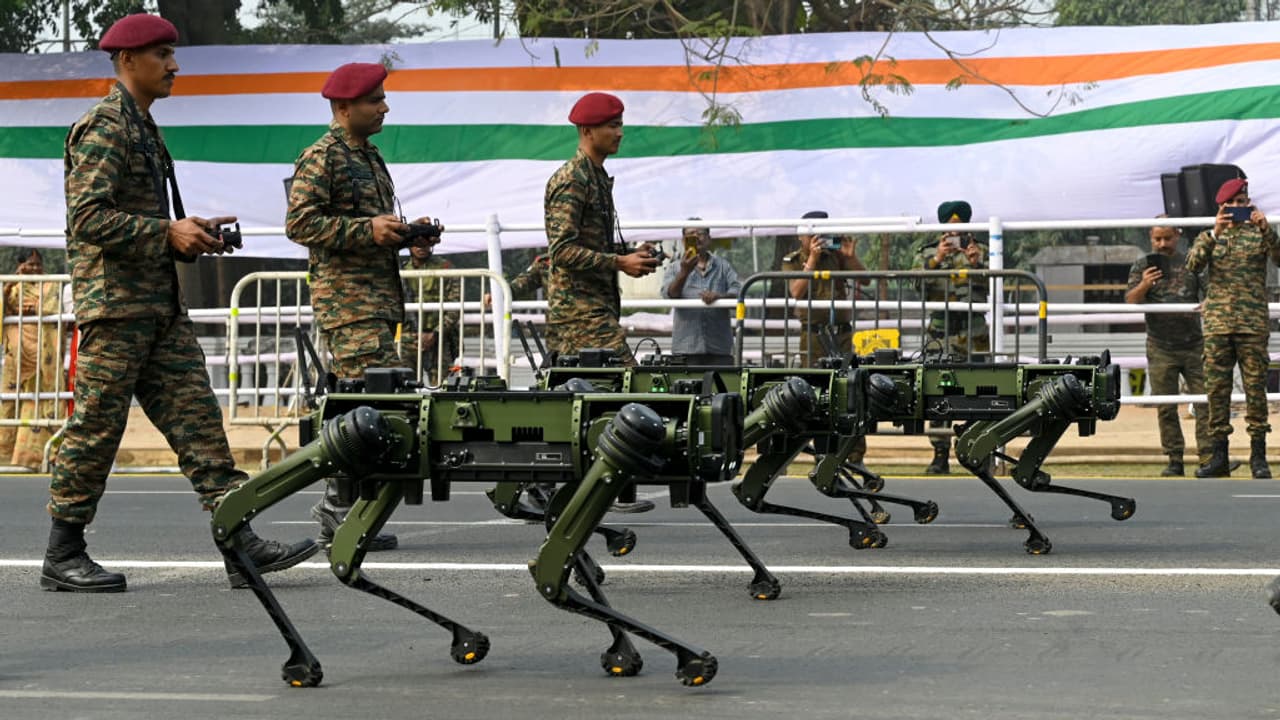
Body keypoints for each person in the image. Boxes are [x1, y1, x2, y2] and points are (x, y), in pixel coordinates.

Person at [46, 14, 317, 593]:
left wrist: (189, 231)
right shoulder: (104, 127)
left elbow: (140, 218)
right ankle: (62, 553)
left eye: (172, 53)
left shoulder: (143, 127)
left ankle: (239, 544)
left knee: (201, 428)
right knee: (95, 430)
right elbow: (88, 218)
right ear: (127, 61)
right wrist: (166, 233)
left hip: (158, 310)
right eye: (162, 54)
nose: (175, 65)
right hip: (115, 310)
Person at [286, 61, 439, 549]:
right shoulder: (321, 157)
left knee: (368, 404)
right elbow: (300, 224)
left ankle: (340, 506)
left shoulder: (369, 157)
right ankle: (336, 508)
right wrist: (366, 230)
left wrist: (405, 237)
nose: (384, 107)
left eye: (382, 98)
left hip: (376, 301)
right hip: (348, 305)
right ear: (343, 106)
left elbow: (369, 228)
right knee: (373, 406)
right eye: (375, 100)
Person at [544, 91, 660, 512]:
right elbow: (562, 251)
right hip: (579, 310)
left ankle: (551, 484)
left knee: (570, 397)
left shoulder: (595, 177)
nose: (620, 133)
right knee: (626, 384)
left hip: (592, 305)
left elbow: (586, 244)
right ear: (587, 130)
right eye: (612, 126)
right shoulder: (572, 179)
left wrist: (630, 253)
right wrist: (619, 261)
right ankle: (613, 488)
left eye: (620, 124)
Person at [1186, 177, 1280, 478]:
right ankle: (1219, 457)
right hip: (1217, 325)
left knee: (1255, 391)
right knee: (1217, 391)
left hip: (1251, 324)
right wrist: (1216, 231)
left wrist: (1267, 229)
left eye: (1243, 202)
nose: (1239, 208)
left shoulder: (1260, 235)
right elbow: (1192, 266)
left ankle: (1258, 457)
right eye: (1233, 204)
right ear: (1222, 207)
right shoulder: (1209, 236)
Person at [1125, 220, 1212, 476]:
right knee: (1166, 405)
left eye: (1167, 239)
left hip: (1194, 344)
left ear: (1178, 236)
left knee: (1206, 402)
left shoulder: (1191, 262)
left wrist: (1208, 302)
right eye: (1157, 239)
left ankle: (1208, 458)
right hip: (1160, 346)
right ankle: (1175, 459)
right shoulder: (1143, 265)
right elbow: (1131, 299)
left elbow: (1211, 292)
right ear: (1151, 238)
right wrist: (1144, 284)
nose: (1162, 244)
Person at [781, 209, 868, 464]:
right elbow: (796, 291)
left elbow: (866, 279)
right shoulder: (793, 260)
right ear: (802, 236)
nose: (820, 238)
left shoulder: (837, 256)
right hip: (814, 336)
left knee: (850, 389)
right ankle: (823, 451)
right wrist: (813, 260)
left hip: (841, 334)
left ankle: (854, 455)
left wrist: (850, 258)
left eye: (824, 232)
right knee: (816, 393)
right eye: (814, 233)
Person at [910, 200, 990, 474]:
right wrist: (936, 260)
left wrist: (977, 263)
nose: (955, 233)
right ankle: (940, 454)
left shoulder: (984, 251)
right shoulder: (928, 253)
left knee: (980, 391)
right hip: (941, 333)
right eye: (950, 228)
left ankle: (978, 450)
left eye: (961, 227)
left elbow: (1000, 285)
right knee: (939, 392)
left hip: (975, 332)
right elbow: (914, 284)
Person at [0, 249, 67, 470]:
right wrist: (12, 283)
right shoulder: (13, 287)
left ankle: (35, 458)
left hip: (45, 354)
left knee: (43, 400)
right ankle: (5, 457)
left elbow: (52, 307)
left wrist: (32, 308)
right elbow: (4, 306)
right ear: (20, 265)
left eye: (38, 264)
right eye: (30, 264)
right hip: (17, 356)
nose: (35, 269)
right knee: (10, 402)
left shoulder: (50, 285)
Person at [660, 222, 742, 365]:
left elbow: (739, 292)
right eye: (690, 234)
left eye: (700, 234)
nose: (696, 238)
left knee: (721, 386)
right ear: (683, 240)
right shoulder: (674, 267)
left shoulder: (723, 266)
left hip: (719, 347)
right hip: (686, 348)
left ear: (709, 239)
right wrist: (684, 272)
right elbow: (669, 295)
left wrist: (719, 297)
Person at [401, 242, 459, 384]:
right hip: (408, 338)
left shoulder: (445, 268)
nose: (421, 246)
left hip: (439, 338)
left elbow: (455, 306)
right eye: (417, 241)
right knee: (403, 386)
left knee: (442, 388)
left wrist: (436, 333)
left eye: (426, 242)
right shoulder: (401, 270)